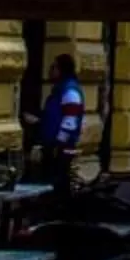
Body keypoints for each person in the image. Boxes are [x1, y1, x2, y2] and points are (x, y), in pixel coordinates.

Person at [33, 53, 88, 191]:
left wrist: (58, 144)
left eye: (54, 67)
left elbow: (70, 120)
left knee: (57, 184)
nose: (50, 70)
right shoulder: (60, 90)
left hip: (60, 149)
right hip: (54, 146)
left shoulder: (69, 90)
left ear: (62, 69)